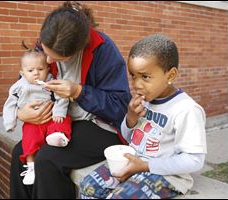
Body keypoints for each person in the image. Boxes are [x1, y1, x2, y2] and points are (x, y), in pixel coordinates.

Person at [9, 1, 131, 199]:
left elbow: (119, 107)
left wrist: (78, 92)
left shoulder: (103, 50)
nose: (47, 62)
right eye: (45, 52)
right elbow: (25, 82)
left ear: (77, 50)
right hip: (62, 120)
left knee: (48, 159)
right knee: (20, 153)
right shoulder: (48, 41)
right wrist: (21, 112)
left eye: (57, 58)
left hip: (101, 125)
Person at [79, 34, 207, 199]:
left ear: (171, 75)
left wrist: (146, 165)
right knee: (87, 186)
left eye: (145, 77)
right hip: (135, 163)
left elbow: (194, 160)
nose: (136, 85)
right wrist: (131, 119)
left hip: (166, 175)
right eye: (133, 76)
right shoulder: (145, 100)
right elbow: (128, 137)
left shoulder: (186, 109)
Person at [3, 45, 72, 185]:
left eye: (40, 69)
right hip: (32, 121)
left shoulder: (51, 81)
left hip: (52, 115)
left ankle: (58, 136)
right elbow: (10, 104)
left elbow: (62, 97)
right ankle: (31, 167)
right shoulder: (18, 86)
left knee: (63, 120)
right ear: (22, 73)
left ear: (47, 69)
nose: (36, 73)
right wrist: (10, 122)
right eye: (30, 70)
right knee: (29, 138)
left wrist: (58, 112)